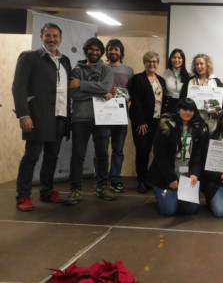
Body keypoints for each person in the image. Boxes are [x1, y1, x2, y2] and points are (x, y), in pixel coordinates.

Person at [12, 22, 71, 211]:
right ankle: (23, 196)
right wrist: (23, 115)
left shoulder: (66, 61)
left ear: (60, 39)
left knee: (52, 157)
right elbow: (18, 88)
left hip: (60, 117)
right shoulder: (29, 57)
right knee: (31, 157)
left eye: (55, 36)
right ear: (41, 37)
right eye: (48, 35)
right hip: (37, 117)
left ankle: (47, 191)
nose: (52, 39)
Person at [66, 37, 114, 205]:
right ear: (86, 50)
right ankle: (75, 189)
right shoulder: (77, 70)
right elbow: (74, 94)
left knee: (102, 154)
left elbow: (106, 87)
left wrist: (83, 85)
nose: (94, 52)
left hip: (102, 118)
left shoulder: (106, 69)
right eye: (91, 49)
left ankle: (102, 187)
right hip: (80, 119)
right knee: (77, 155)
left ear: (101, 52)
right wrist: (99, 92)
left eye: (97, 50)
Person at [148, 98, 209, 216]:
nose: (188, 113)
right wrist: (170, 177)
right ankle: (166, 195)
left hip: (186, 178)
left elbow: (198, 156)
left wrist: (194, 173)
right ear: (178, 110)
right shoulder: (166, 127)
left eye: (191, 110)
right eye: (185, 109)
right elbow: (160, 156)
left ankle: (177, 196)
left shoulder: (198, 128)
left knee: (191, 209)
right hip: (166, 177)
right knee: (169, 210)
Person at [129, 51, 168, 194]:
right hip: (142, 123)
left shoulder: (161, 80)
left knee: (154, 152)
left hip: (157, 123)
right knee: (142, 151)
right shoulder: (137, 79)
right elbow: (136, 102)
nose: (152, 64)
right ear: (144, 63)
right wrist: (140, 121)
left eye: (155, 61)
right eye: (149, 61)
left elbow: (162, 102)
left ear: (158, 64)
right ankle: (141, 180)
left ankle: (149, 179)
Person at [103, 39, 134, 193]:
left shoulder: (129, 71)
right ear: (107, 51)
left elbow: (131, 92)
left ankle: (115, 179)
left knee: (118, 150)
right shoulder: (100, 67)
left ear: (121, 52)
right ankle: (101, 180)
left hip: (121, 115)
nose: (113, 52)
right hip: (103, 114)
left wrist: (129, 98)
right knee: (101, 150)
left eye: (116, 49)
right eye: (111, 49)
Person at [180, 53, 223, 132]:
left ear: (207, 65)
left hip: (211, 125)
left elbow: (220, 104)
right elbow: (182, 101)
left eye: (201, 64)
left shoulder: (216, 81)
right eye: (197, 64)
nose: (199, 66)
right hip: (192, 123)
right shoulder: (189, 81)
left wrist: (216, 112)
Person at [162, 48, 190, 113]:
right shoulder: (165, 73)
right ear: (171, 59)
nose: (176, 60)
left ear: (183, 60)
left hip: (183, 107)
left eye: (179, 58)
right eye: (174, 57)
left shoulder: (188, 75)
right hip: (168, 105)